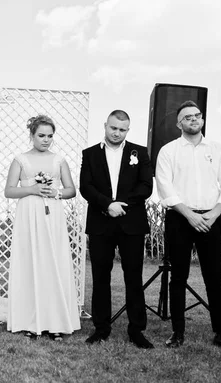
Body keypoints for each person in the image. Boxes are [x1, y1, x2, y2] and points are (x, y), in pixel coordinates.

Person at [155, 100, 221, 351]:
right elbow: (165, 187)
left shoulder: (218, 149)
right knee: (178, 277)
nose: (193, 119)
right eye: (187, 117)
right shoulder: (168, 151)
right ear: (179, 123)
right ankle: (177, 332)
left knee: (214, 278)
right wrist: (189, 215)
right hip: (180, 218)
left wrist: (213, 214)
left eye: (197, 115)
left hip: (211, 219)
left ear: (202, 119)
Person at [80, 110, 154, 349]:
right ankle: (101, 329)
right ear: (105, 125)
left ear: (128, 131)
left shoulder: (140, 153)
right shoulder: (90, 154)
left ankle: (137, 331)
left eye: (122, 130)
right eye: (113, 128)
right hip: (101, 223)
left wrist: (120, 205)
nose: (117, 133)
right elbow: (86, 187)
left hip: (131, 222)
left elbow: (146, 187)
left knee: (133, 277)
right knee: (100, 278)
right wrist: (107, 205)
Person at [5, 115, 80, 340]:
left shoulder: (59, 160)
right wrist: (33, 190)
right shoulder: (20, 160)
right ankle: (31, 320)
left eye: (49, 136)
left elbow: (71, 190)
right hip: (28, 215)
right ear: (32, 135)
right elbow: (9, 191)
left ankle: (56, 320)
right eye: (41, 135)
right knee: (31, 263)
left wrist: (55, 192)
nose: (46, 140)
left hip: (52, 215)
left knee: (53, 263)